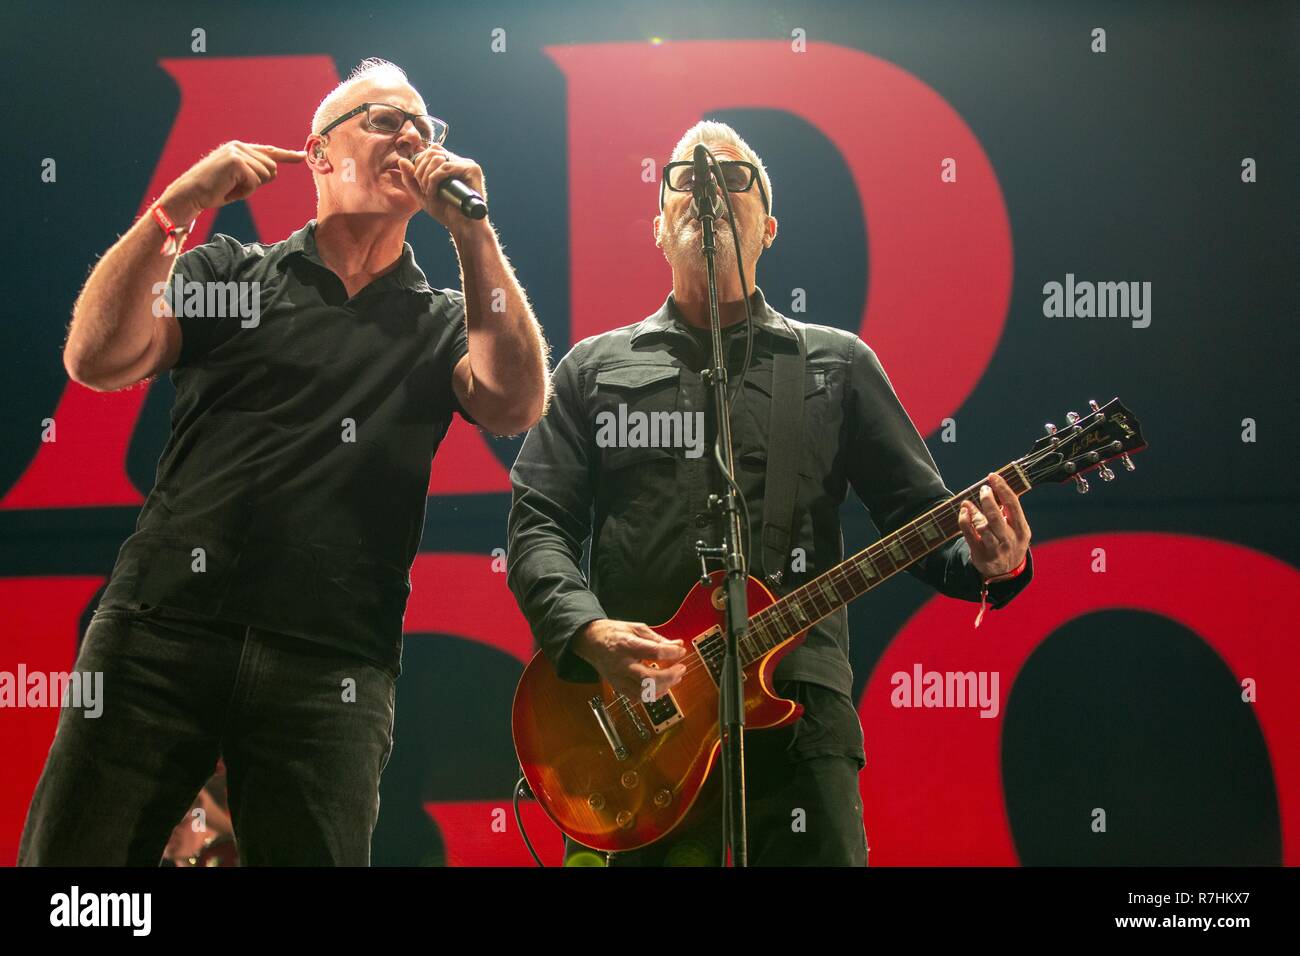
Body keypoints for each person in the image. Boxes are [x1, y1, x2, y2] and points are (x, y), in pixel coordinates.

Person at [20, 58, 549, 865]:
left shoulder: (441, 321)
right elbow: (96, 358)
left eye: (424, 126)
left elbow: (515, 403)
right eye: (383, 120)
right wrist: (177, 207)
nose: (411, 135)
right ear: (320, 153)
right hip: (164, 631)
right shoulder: (233, 273)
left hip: (331, 663)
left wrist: (473, 231)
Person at [506, 120, 1032, 866]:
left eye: (733, 179)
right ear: (659, 227)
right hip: (635, 728)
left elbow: (924, 521)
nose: (708, 191)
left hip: (799, 722)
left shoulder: (837, 365)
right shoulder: (594, 369)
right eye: (685, 179)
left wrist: (991, 560)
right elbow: (537, 526)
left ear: (769, 228)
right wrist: (587, 634)